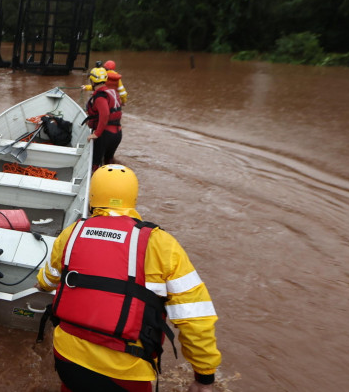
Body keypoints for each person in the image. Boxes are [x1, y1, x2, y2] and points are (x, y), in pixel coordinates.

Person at [35, 164, 221, 392]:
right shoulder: (161, 244)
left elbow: (49, 278)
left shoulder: (71, 233)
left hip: (67, 360)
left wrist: (41, 284)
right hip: (125, 373)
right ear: (133, 197)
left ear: (92, 195)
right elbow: (195, 317)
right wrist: (204, 376)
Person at [84, 67, 123, 168]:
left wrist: (96, 134)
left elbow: (105, 114)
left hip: (105, 135)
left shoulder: (100, 97)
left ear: (92, 81)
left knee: (95, 165)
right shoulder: (112, 92)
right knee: (108, 163)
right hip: (117, 134)